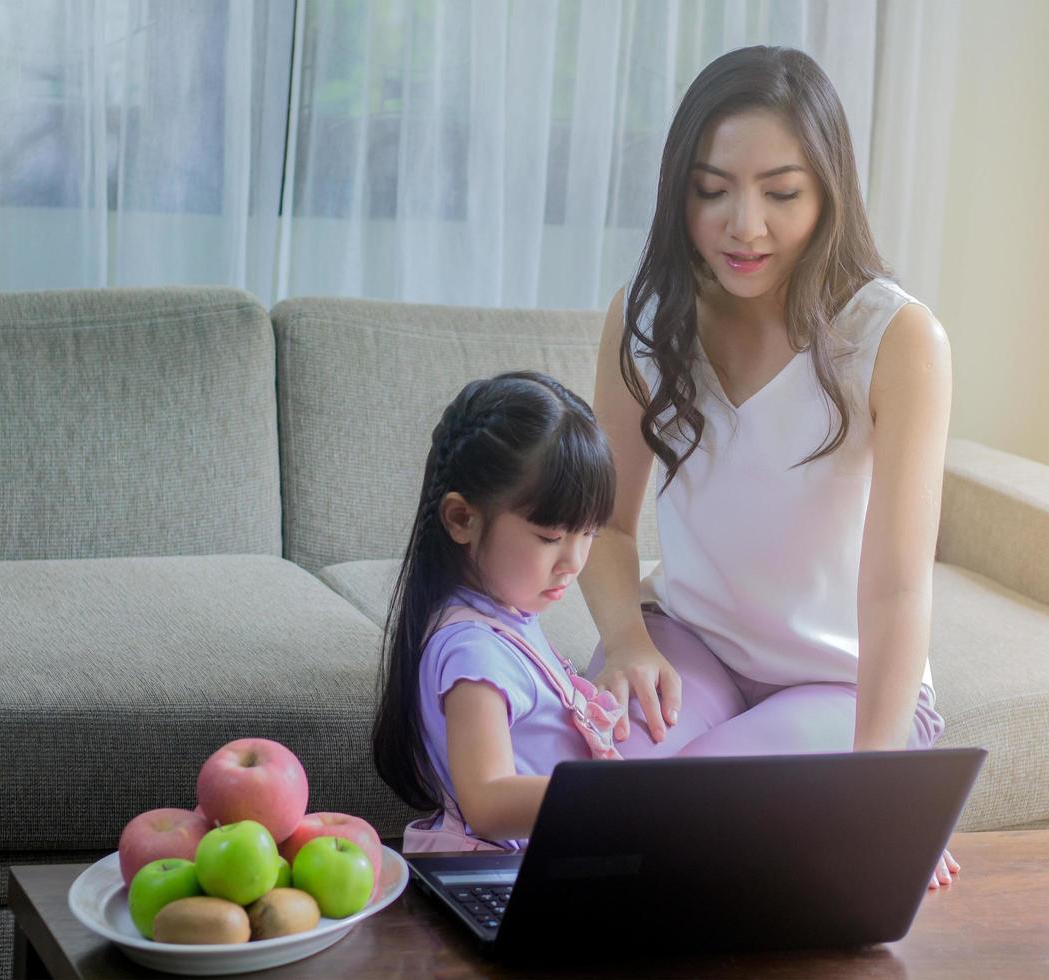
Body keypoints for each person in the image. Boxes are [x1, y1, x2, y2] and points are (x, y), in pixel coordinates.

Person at [580, 46, 961, 888]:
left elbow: (899, 587)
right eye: (710, 191)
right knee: (574, 796)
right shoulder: (642, 319)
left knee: (707, 824)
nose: (742, 225)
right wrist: (625, 640)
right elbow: (603, 522)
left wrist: (881, 786)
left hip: (841, 684)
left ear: (827, 192)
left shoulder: (895, 340)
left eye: (780, 193)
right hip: (692, 648)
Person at [372, 371, 623, 851]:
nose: (574, 561)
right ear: (462, 519)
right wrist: (615, 797)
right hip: (503, 878)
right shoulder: (473, 652)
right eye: (551, 537)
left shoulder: (505, 618)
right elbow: (486, 802)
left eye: (588, 533)